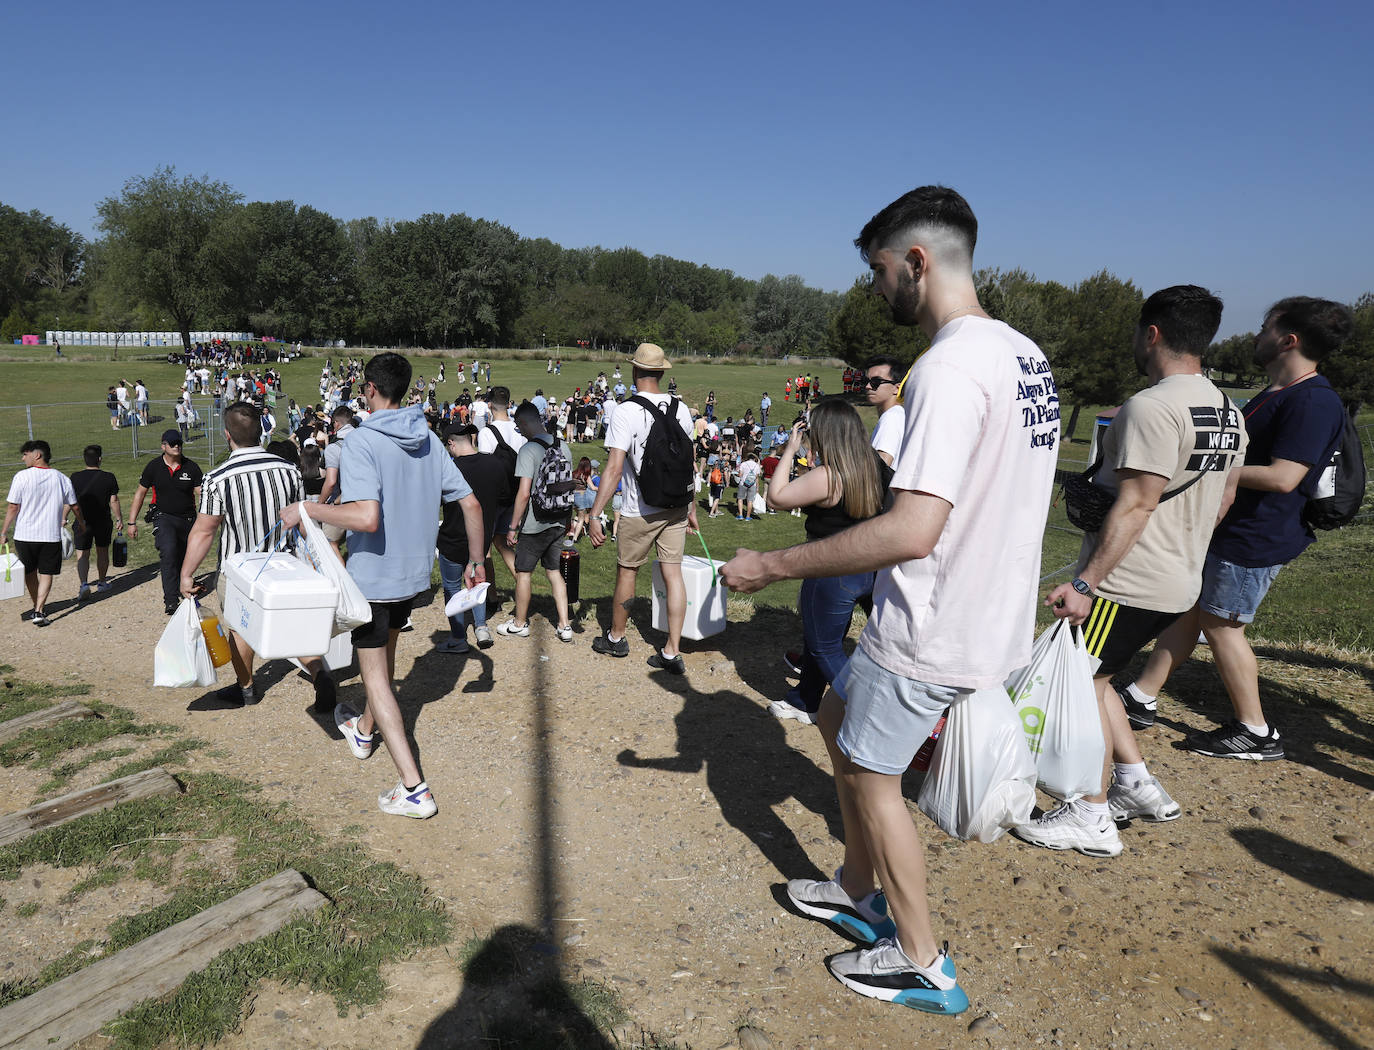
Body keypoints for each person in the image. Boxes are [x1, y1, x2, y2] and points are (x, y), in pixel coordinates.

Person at [722, 186, 1059, 1012]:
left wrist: (773, 566)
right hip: (985, 610)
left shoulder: (945, 368)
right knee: (836, 714)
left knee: (874, 780)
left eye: (879, 271)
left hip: (932, 622)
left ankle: (920, 958)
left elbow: (911, 530)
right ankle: (856, 887)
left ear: (916, 260)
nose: (876, 289)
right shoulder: (1025, 355)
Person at [1014, 285, 1245, 858]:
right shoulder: (1228, 412)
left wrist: (1086, 582)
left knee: (1082, 686)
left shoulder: (1150, 407)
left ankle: (1091, 815)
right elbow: (1224, 499)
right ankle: (1135, 784)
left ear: (1153, 333)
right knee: (1103, 681)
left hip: (1125, 583)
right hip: (1179, 580)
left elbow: (1138, 503)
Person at [1119, 296, 1352, 761]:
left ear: (1288, 340)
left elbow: (1285, 477)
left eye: (1266, 328)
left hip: (1257, 537)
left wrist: (1215, 468)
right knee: (1192, 611)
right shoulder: (1278, 392)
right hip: (1236, 528)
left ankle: (1255, 730)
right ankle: (1142, 696)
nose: (1256, 335)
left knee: (1222, 626)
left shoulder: (1313, 400)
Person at [281, 353, 485, 819]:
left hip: (374, 579)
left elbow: (365, 516)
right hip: (413, 578)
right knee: (384, 662)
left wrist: (306, 509)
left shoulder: (360, 441)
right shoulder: (428, 437)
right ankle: (363, 732)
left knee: (375, 676)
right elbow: (471, 505)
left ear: (370, 389)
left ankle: (414, 788)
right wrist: (476, 562)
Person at [179, 402, 333, 710]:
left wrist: (186, 574)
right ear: (261, 431)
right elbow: (302, 520)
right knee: (292, 625)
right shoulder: (290, 471)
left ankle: (246, 687)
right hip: (285, 563)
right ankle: (319, 673)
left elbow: (205, 531)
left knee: (239, 628)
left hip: (239, 567)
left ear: (227, 435)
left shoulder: (217, 478)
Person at [764, 404, 893, 724]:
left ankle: (872, 711)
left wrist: (790, 450)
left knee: (825, 648)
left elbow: (775, 497)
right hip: (871, 565)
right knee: (820, 636)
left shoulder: (829, 475)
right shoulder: (874, 465)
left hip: (830, 568)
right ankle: (805, 700)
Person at [588, 343, 697, 674]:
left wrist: (595, 514)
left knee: (628, 571)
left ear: (635, 371)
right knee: (673, 573)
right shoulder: (681, 408)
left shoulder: (625, 411)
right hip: (676, 506)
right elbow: (688, 463)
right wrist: (691, 505)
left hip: (640, 508)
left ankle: (617, 637)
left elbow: (613, 469)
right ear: (662, 372)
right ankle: (671, 651)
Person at [497, 402, 575, 641]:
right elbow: (567, 486)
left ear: (523, 423)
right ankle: (564, 625)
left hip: (535, 523)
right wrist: (568, 519)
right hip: (559, 519)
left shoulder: (528, 450)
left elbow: (523, 494)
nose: (520, 432)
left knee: (524, 573)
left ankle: (519, 623)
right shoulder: (563, 446)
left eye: (519, 427)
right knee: (554, 572)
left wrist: (512, 527)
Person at [436, 424, 505, 652]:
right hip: (482, 536)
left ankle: (458, 637)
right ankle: (481, 627)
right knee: (477, 582)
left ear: (451, 443)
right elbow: (504, 497)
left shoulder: (450, 468)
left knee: (452, 586)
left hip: (453, 537)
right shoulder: (494, 464)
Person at [2, 440, 82, 626]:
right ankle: (39, 609)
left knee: (29, 572)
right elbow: (75, 505)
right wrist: (82, 523)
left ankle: (36, 605)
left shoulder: (21, 477)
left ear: (37, 455)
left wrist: (4, 531)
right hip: (50, 535)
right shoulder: (61, 478)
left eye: (25, 454)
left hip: (24, 535)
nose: (23, 458)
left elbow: (13, 506)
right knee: (46, 572)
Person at [128, 430, 203, 615]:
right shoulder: (154, 467)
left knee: (184, 557)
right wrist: (131, 522)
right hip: (163, 517)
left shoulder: (191, 467)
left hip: (188, 519)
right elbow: (140, 493)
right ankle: (170, 600)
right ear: (163, 446)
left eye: (179, 443)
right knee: (168, 552)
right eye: (172, 443)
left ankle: (184, 588)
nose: (176, 446)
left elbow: (201, 493)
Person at [69, 444, 124, 600]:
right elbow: (114, 500)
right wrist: (119, 518)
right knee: (102, 552)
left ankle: (84, 584)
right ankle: (101, 582)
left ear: (84, 459)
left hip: (82, 521)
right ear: (99, 459)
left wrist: (63, 517)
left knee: (82, 554)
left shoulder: (75, 477)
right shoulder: (109, 477)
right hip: (103, 521)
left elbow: (70, 500)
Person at [864, 356, 906, 466]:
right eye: (866, 381)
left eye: (876, 382)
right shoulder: (897, 415)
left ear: (897, 388)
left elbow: (881, 466)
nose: (868, 386)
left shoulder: (891, 418)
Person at [735, 447, 761, 521]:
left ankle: (740, 515)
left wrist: (736, 474)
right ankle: (748, 516)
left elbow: (740, 475)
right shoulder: (757, 466)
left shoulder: (743, 464)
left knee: (740, 499)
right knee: (750, 500)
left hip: (743, 483)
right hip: (752, 484)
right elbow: (757, 477)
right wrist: (757, 487)